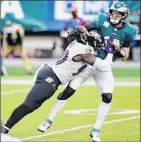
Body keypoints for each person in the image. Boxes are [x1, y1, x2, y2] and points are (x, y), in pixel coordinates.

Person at [38, 2, 137, 142]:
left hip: (104, 68)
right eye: (113, 12)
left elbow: (125, 57)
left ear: (124, 15)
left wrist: (118, 49)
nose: (114, 15)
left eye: (118, 13)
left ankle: (96, 129)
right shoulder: (103, 20)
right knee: (69, 91)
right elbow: (86, 27)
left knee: (107, 96)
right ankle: (48, 119)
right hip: (88, 63)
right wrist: (82, 30)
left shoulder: (130, 31)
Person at [1, 30, 114, 135]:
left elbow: (77, 33)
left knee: (32, 105)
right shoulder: (83, 51)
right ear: (91, 42)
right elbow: (104, 65)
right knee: (29, 105)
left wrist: (84, 31)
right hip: (50, 77)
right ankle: (5, 128)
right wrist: (110, 52)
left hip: (50, 74)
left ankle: (5, 127)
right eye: (97, 45)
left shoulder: (78, 43)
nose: (98, 48)